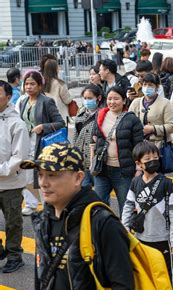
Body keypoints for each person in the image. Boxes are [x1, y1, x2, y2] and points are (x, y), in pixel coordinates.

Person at [22, 143, 136, 290]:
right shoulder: (43, 220)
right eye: (40, 175)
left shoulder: (102, 223)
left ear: (78, 177)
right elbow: (42, 282)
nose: (43, 183)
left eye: (52, 175)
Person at [122, 141, 173, 290]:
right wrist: (125, 226)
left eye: (155, 157)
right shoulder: (135, 182)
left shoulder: (166, 183)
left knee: (166, 271)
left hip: (162, 237)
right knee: (144, 270)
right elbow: (128, 205)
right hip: (141, 236)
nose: (153, 161)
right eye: (147, 159)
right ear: (139, 164)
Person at [92, 87, 144, 215]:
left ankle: (125, 233)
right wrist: (91, 161)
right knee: (98, 205)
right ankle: (103, 231)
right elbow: (94, 140)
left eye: (116, 99)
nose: (112, 102)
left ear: (124, 100)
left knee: (126, 207)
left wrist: (138, 169)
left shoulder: (131, 119)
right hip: (102, 169)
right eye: (109, 99)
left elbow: (139, 146)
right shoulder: (100, 115)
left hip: (123, 171)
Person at [19, 71, 65, 216]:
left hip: (41, 145)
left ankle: (48, 207)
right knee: (24, 177)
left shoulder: (46, 101)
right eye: (26, 84)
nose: (28, 87)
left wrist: (43, 127)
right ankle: (32, 203)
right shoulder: (23, 101)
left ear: (39, 86)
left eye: (32, 84)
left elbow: (60, 123)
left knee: (40, 176)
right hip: (25, 144)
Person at [0, 80, 29, 273]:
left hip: (10, 183)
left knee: (13, 223)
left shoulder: (16, 124)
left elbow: (20, 157)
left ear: (8, 97)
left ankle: (14, 256)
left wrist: (1, 170)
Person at [129, 73, 173, 147]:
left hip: (159, 146)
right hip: (139, 145)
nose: (147, 87)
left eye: (150, 85)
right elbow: (129, 122)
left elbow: (172, 126)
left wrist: (153, 129)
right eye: (145, 84)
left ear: (157, 87)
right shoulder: (136, 102)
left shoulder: (165, 103)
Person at [74, 84, 103, 188]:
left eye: (90, 98)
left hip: (96, 160)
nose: (87, 101)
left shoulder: (102, 115)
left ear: (98, 98)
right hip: (82, 160)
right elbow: (75, 137)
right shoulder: (80, 114)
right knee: (83, 189)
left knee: (99, 191)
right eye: (85, 98)